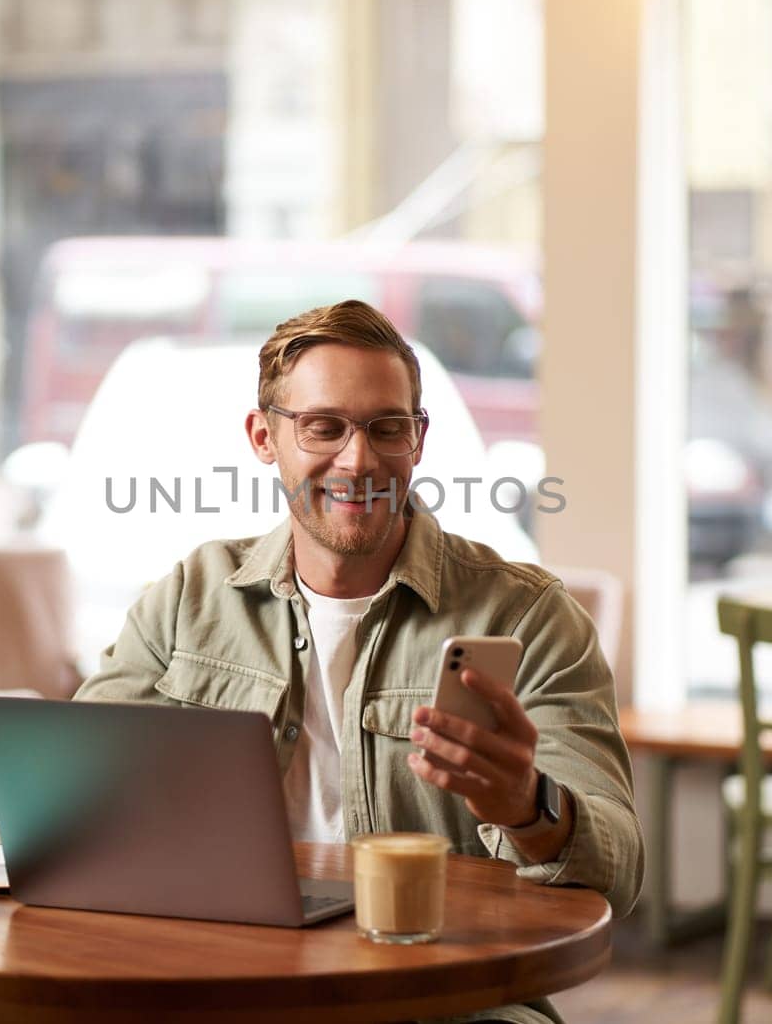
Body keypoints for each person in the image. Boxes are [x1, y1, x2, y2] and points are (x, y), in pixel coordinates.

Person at [75, 300, 642, 1024]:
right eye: (324, 426)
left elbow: (618, 871)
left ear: (418, 439)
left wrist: (529, 807)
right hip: (225, 984)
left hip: (445, 998)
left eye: (387, 428)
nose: (359, 459)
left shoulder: (527, 616)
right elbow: (77, 803)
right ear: (264, 437)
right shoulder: (189, 598)